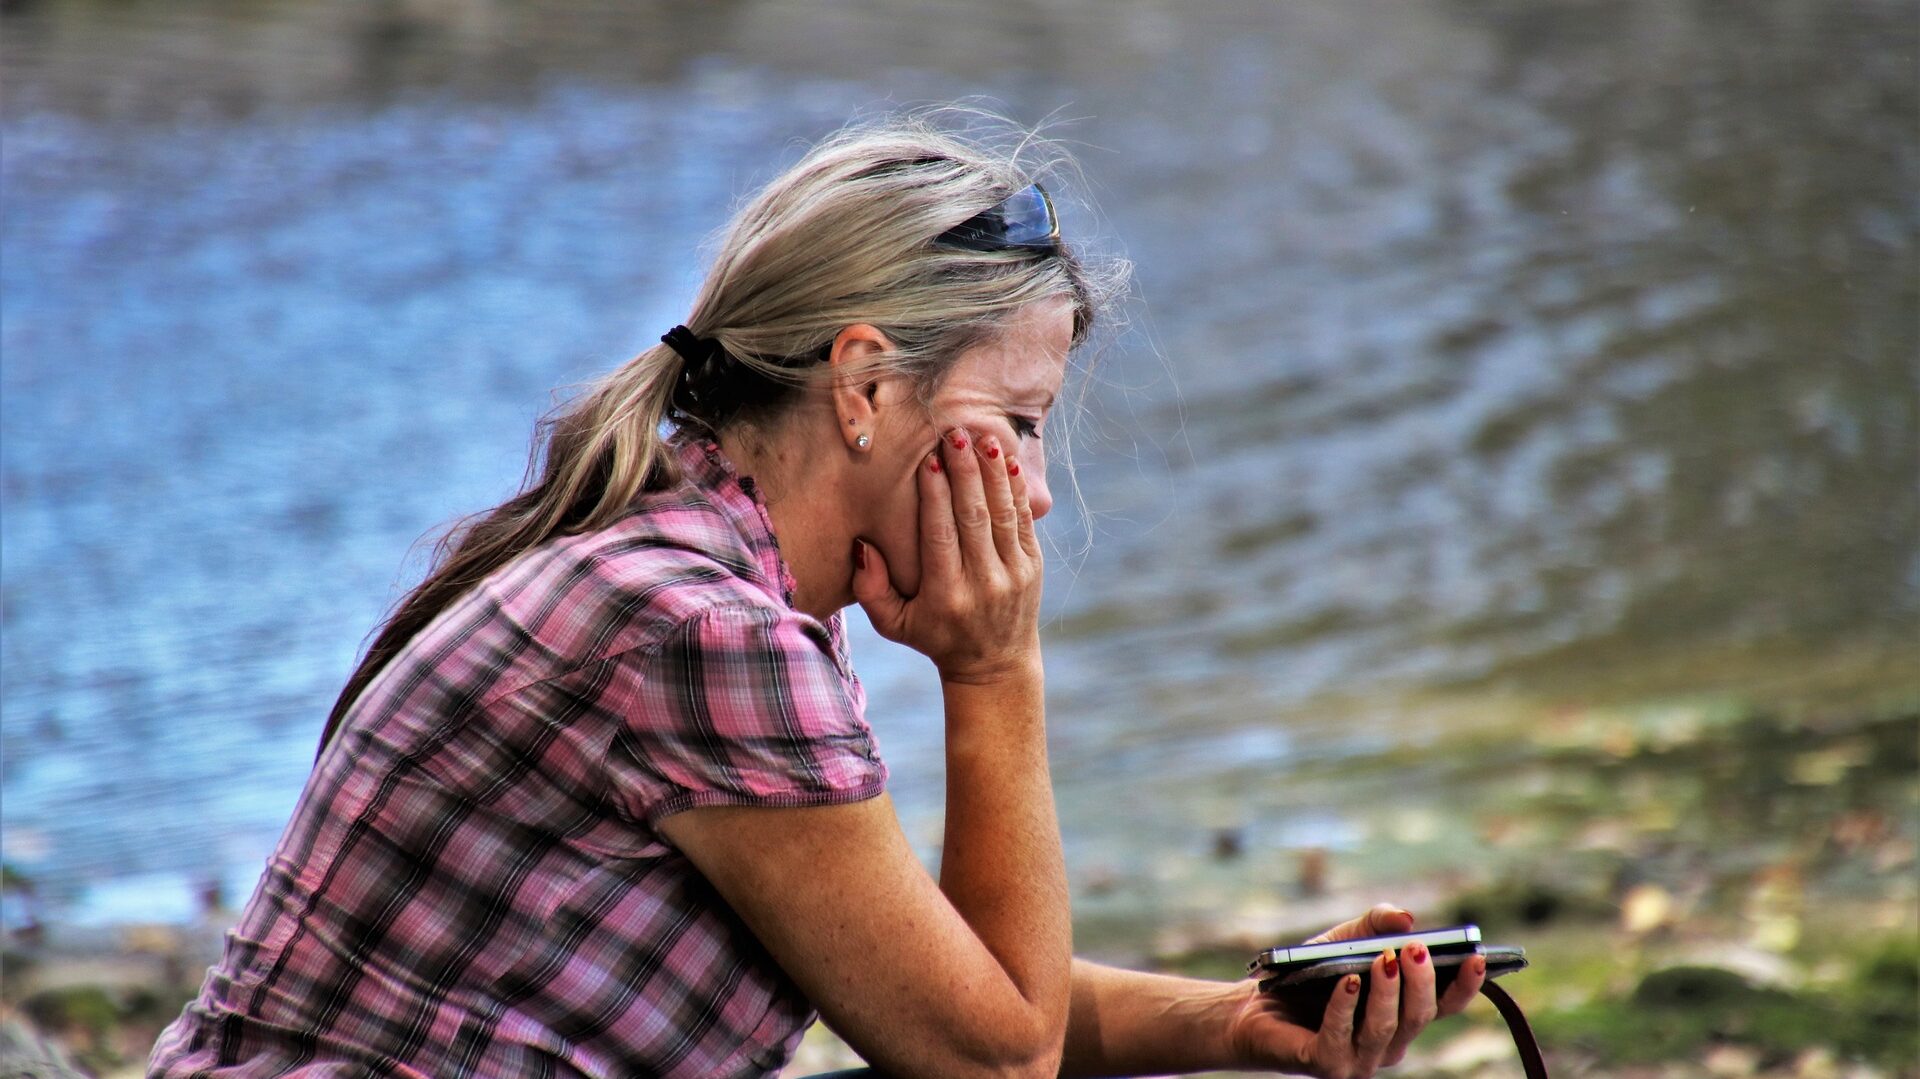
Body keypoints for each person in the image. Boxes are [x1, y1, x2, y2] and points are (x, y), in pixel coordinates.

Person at [149, 109, 1484, 1079]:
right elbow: (994, 1061)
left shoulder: (693, 565)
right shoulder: (702, 631)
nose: (1032, 493)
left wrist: (1236, 1023)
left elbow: (940, 992)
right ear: (860, 386)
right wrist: (995, 675)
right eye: (1015, 424)